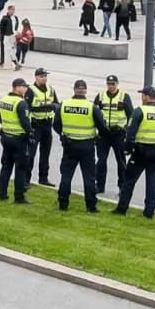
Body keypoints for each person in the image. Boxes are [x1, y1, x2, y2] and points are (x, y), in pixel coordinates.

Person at [116, 86, 155, 217]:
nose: (141, 97)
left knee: (129, 180)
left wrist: (127, 149)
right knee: (152, 182)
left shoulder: (140, 111)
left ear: (146, 96)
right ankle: (149, 211)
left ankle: (122, 208)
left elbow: (130, 132)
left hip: (141, 151)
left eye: (142, 95)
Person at [55, 79, 101, 212]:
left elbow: (56, 124)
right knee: (89, 177)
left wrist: (63, 134)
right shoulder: (91, 107)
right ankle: (91, 206)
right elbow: (101, 126)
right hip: (87, 145)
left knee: (66, 175)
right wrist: (97, 136)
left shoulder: (64, 105)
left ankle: (63, 203)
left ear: (74, 89)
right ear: (85, 91)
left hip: (69, 144)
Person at [0, 78, 33, 204]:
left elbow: (0, 119)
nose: (26, 89)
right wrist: (30, 135)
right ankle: (19, 196)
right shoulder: (20, 103)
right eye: (24, 86)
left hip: (6, 137)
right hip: (19, 139)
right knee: (20, 169)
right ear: (16, 87)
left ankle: (2, 193)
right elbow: (25, 122)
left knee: (6, 166)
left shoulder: (3, 100)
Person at [94, 74, 131, 193]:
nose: (111, 86)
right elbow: (94, 113)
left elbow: (131, 115)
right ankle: (99, 185)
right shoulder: (100, 96)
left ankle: (122, 186)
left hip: (118, 133)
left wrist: (125, 129)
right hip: (104, 133)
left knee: (121, 161)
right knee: (101, 160)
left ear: (117, 84)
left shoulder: (124, 96)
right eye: (109, 84)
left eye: (113, 84)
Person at [26, 67, 58, 185]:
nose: (44, 78)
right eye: (41, 76)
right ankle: (26, 179)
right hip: (36, 125)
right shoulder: (31, 90)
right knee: (31, 154)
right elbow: (27, 108)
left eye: (45, 76)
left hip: (47, 125)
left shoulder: (51, 89)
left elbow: (56, 104)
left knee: (45, 153)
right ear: (36, 77)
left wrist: (54, 107)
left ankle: (43, 178)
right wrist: (46, 107)